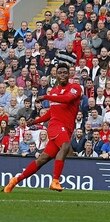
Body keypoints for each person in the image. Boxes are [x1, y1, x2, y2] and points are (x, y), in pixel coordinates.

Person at [3, 63, 82, 193]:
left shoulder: (75, 88)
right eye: (60, 72)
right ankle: (55, 180)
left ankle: (15, 181)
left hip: (66, 128)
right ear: (56, 74)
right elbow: (52, 113)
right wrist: (37, 121)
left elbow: (67, 99)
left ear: (69, 74)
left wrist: (46, 97)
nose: (62, 75)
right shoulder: (55, 91)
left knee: (42, 159)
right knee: (66, 146)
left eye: (65, 72)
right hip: (56, 126)